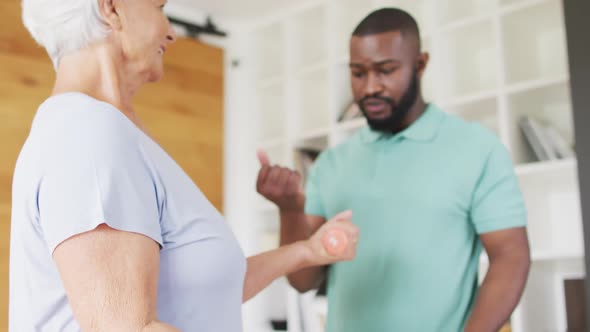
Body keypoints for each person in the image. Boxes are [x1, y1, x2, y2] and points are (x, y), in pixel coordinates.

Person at [9, 0, 360, 331]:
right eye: (159, 6)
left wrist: (308, 251)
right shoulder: (87, 131)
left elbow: (209, 290)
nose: (171, 32)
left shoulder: (113, 134)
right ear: (111, 8)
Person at [257, 8, 531, 332]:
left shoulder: (478, 149)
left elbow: (510, 257)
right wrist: (289, 210)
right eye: (358, 73)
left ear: (420, 64)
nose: (370, 87)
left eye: (385, 70)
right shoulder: (331, 164)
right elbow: (303, 280)